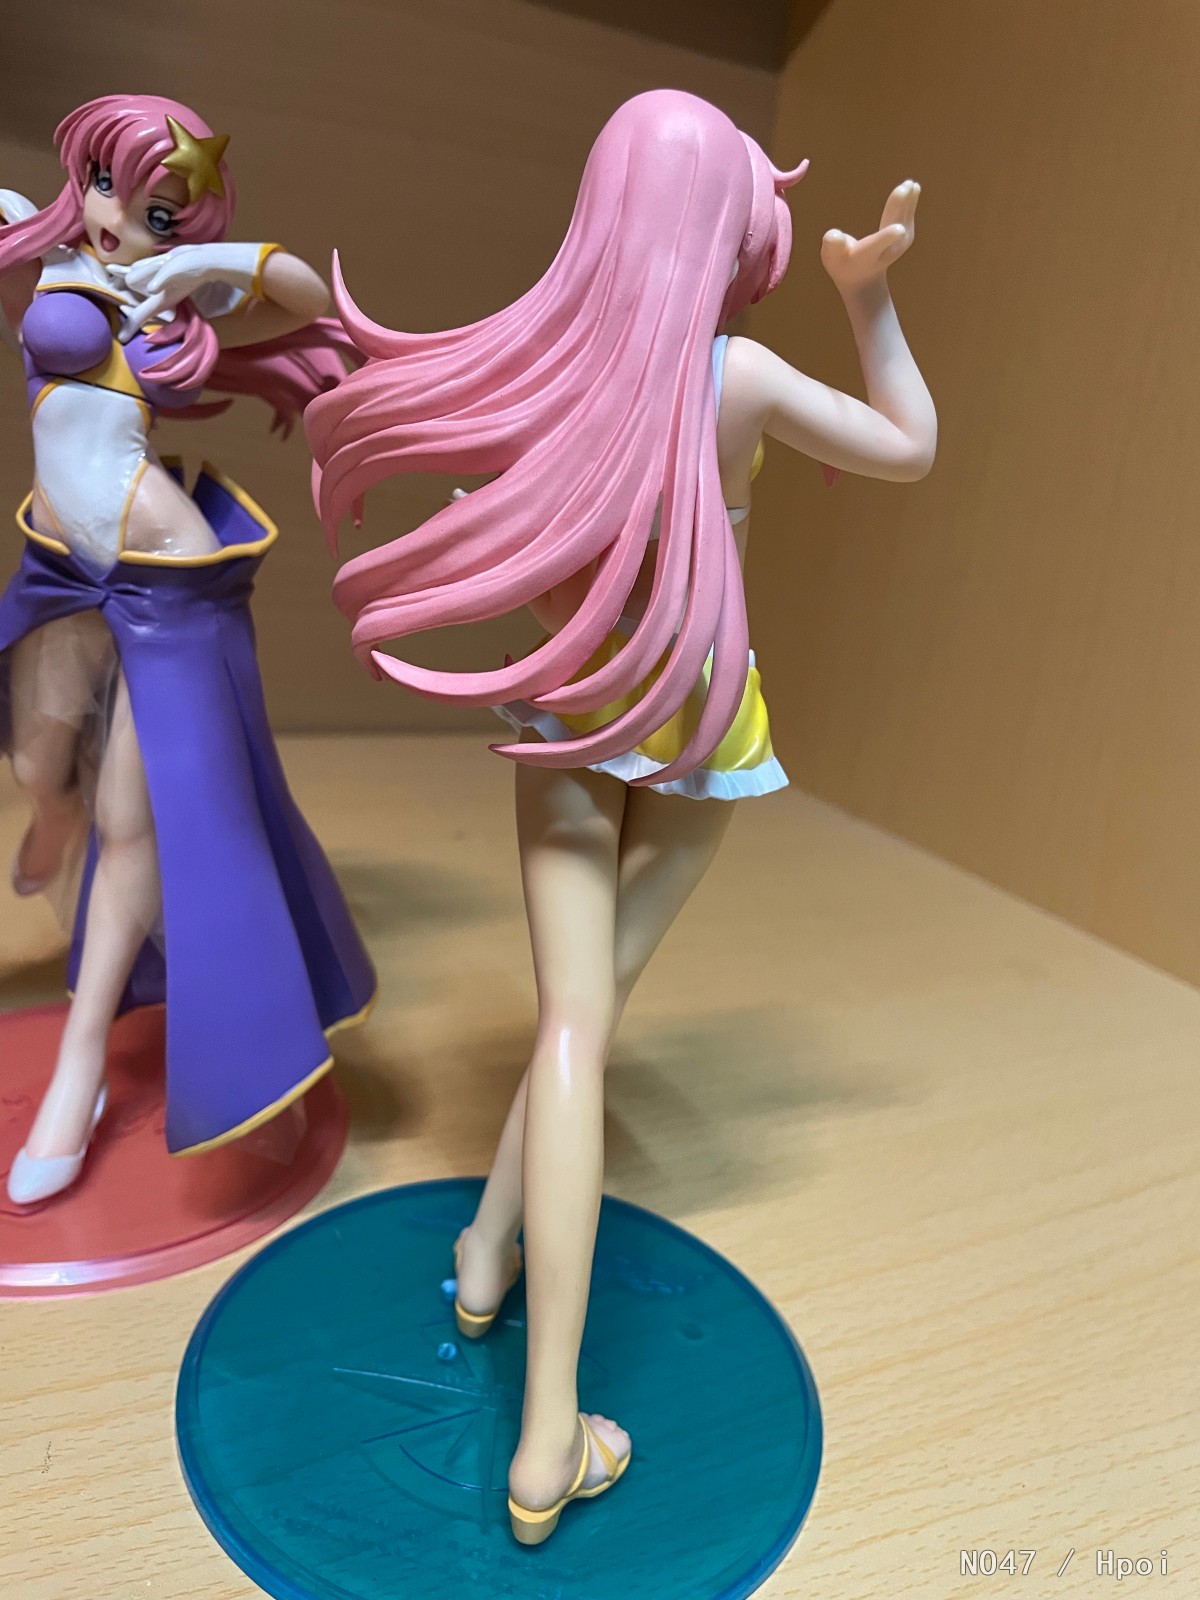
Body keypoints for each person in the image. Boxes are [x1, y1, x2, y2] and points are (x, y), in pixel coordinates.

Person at [306, 89, 935, 1543]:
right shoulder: (738, 376)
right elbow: (910, 445)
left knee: (570, 1026)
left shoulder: (537, 367)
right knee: (588, 1025)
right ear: (719, 230)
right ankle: (549, 1438)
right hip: (699, 728)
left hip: (574, 717)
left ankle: (484, 1253)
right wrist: (868, 300)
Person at [0, 94, 376, 1205]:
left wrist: (199, 259)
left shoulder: (169, 288)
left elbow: (309, 296)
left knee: (137, 819)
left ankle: (81, 1066)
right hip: (60, 559)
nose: (123, 221)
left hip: (162, 571)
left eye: (158, 211)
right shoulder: (45, 248)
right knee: (35, 758)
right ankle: (51, 810)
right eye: (110, 187)